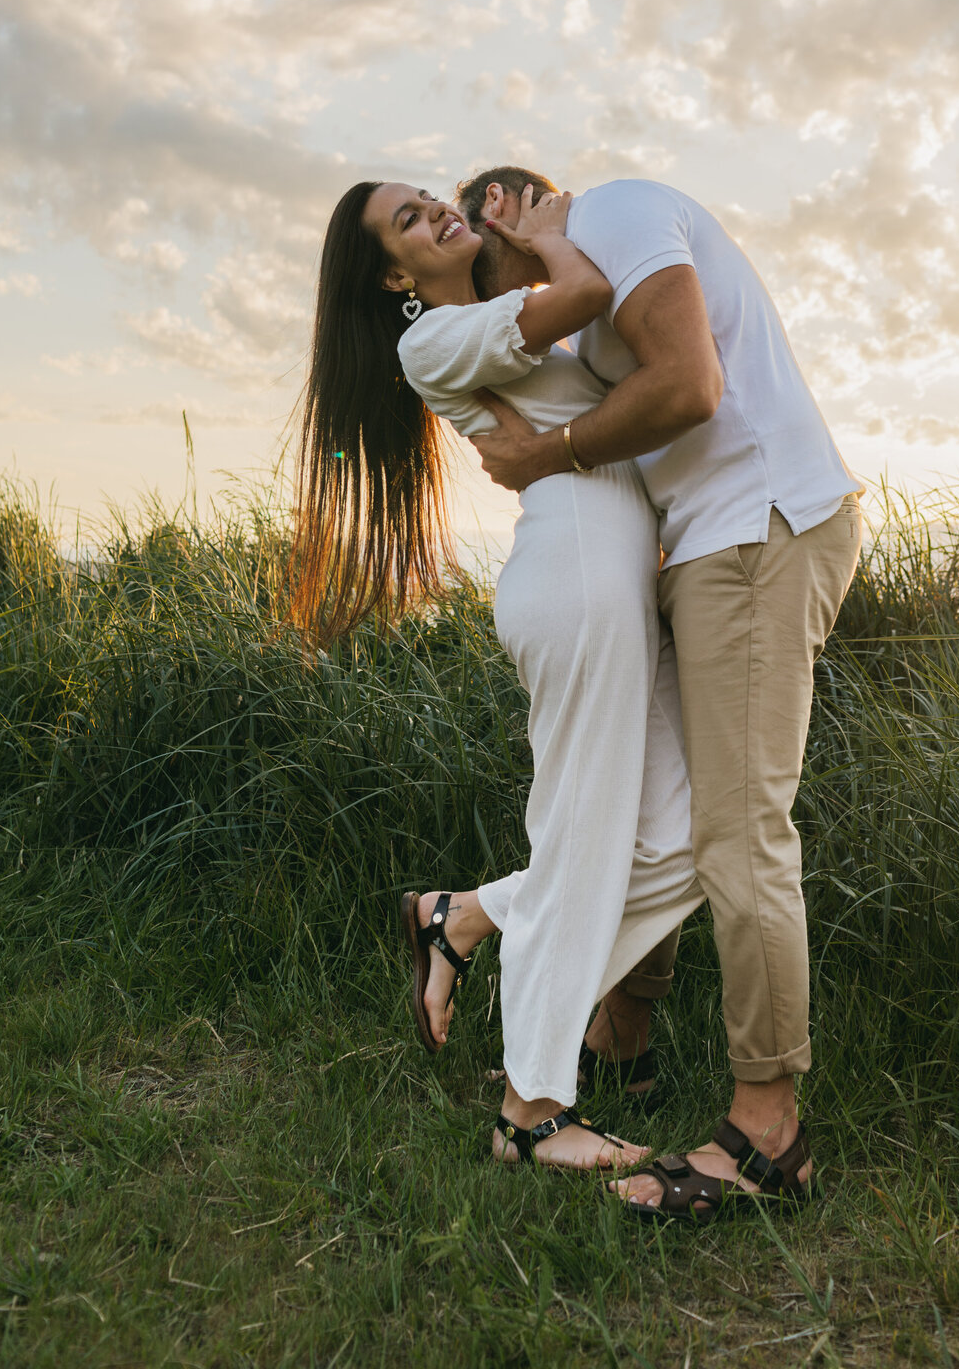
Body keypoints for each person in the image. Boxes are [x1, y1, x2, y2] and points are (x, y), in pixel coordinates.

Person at [455, 166, 864, 1219]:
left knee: (739, 835)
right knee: (655, 809)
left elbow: (689, 385)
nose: (499, 313)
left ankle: (767, 1132)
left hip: (756, 533)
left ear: (502, 207)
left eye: (478, 277)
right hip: (703, 548)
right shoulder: (584, 288)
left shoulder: (618, 214)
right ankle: (622, 1040)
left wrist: (548, 457)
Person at [289, 179, 704, 1173]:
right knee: (587, 833)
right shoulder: (432, 341)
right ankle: (533, 1112)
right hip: (574, 581)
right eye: (408, 220)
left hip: (607, 583)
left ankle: (464, 916)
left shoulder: (477, 322)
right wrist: (549, 235)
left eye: (427, 195)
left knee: (692, 837)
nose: (435, 209)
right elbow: (586, 294)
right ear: (394, 275)